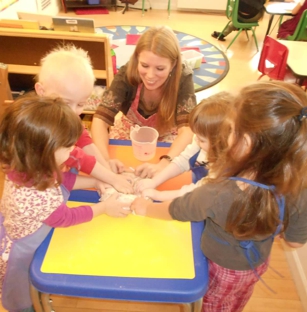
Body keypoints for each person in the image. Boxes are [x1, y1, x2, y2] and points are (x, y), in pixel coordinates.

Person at [130, 81, 307, 312]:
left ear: (244, 143)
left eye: (230, 130)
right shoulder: (302, 186)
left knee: (214, 305)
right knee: (236, 301)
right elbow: (295, 241)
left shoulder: (218, 191)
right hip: (256, 263)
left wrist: (145, 207)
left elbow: (177, 209)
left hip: (222, 267)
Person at [0, 96, 133, 312]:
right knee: (22, 293)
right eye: (69, 146)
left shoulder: (31, 163)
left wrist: (95, 180)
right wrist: (103, 208)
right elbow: (64, 217)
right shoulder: (34, 193)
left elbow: (58, 181)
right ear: (44, 150)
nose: (74, 150)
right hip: (23, 248)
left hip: (28, 224)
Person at [91, 26, 196, 179]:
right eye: (144, 66)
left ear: (173, 65)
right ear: (137, 59)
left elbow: (187, 130)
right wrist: (105, 161)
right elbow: (100, 119)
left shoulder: (183, 78)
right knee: (121, 166)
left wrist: (164, 164)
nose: (150, 75)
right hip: (131, 130)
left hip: (167, 133)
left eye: (160, 68)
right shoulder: (127, 73)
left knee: (170, 175)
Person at [35, 44, 133, 194]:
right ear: (41, 91)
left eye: (80, 104)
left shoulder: (65, 117)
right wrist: (112, 179)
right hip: (40, 192)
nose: (73, 112)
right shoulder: (41, 126)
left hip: (60, 178)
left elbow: (85, 142)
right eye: (66, 103)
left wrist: (107, 171)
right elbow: (78, 158)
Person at [135, 92, 235, 201]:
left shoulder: (225, 170)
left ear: (220, 142)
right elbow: (182, 161)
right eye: (196, 135)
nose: (196, 140)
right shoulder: (201, 144)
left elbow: (198, 192)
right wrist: (154, 181)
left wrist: (158, 195)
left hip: (210, 198)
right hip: (200, 187)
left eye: (201, 140)